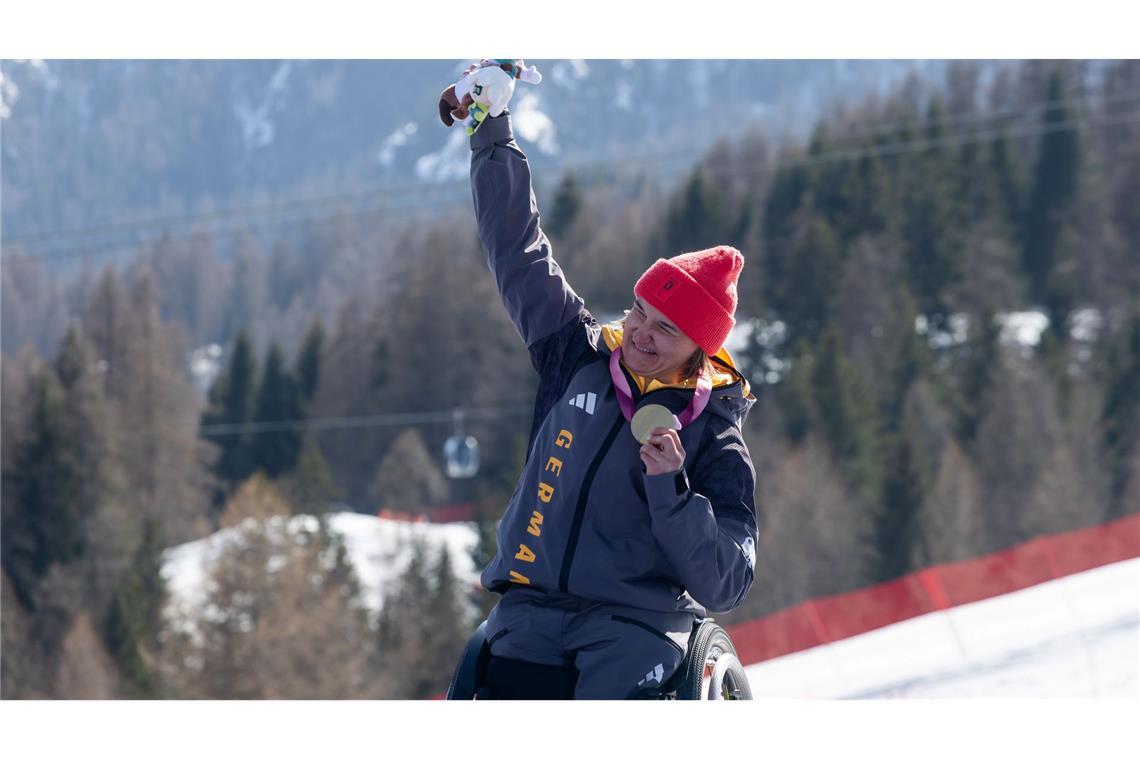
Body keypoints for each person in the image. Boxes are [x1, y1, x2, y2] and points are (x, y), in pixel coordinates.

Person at [463, 84, 758, 699]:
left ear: (701, 349)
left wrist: (671, 491)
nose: (641, 335)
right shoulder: (577, 352)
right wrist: (492, 133)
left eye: (666, 329)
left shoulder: (715, 432)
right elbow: (518, 252)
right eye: (639, 312)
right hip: (531, 612)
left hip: (636, 627)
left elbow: (725, 582)